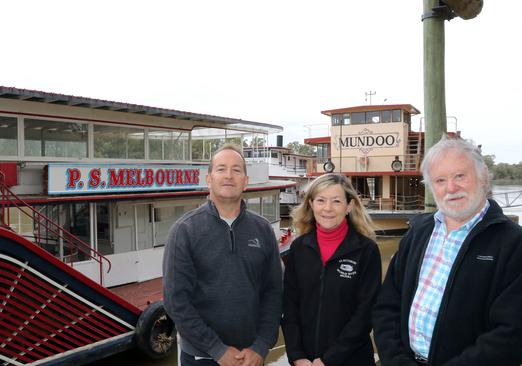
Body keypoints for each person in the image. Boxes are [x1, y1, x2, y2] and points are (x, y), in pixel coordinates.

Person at [373, 136, 522, 365]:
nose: (451, 188)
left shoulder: (513, 243)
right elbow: (387, 305)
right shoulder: (417, 233)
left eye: (460, 176)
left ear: (482, 176)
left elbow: (511, 334)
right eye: (440, 180)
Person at [162, 143, 282, 366]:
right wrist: (216, 349)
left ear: (245, 181)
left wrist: (262, 345)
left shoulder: (263, 230)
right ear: (208, 179)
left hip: (252, 357)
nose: (229, 176)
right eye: (221, 169)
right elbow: (176, 301)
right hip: (201, 357)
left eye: (236, 170)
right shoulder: (185, 231)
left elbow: (273, 293)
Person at [282, 173, 382, 366]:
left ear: (349, 206)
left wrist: (329, 359)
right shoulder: (299, 248)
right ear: (311, 204)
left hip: (352, 360)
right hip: (305, 362)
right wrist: (296, 356)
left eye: (336, 201)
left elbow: (366, 313)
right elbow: (290, 305)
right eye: (321, 200)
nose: (327, 208)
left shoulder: (366, 250)